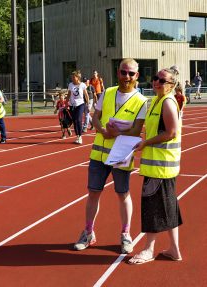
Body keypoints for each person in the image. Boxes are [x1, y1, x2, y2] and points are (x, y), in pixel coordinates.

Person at [73, 58, 147, 253]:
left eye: (131, 73)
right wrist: (102, 130)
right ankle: (88, 232)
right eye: (124, 72)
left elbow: (137, 130)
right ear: (118, 72)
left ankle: (125, 234)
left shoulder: (141, 101)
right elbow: (95, 117)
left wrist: (117, 133)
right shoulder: (108, 92)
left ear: (137, 76)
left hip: (122, 155)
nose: (127, 77)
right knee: (93, 193)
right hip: (99, 153)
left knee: (123, 194)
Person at [129, 67, 183, 265]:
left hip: (160, 167)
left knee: (152, 208)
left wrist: (145, 143)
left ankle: (148, 250)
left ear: (171, 85)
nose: (156, 82)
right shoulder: (156, 101)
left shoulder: (167, 103)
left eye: (162, 80)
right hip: (160, 166)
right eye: (155, 78)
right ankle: (174, 249)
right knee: (169, 207)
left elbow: (171, 133)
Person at [66, 70, 89, 144]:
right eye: (72, 77)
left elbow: (86, 95)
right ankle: (77, 136)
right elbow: (69, 95)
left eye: (73, 77)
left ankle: (80, 136)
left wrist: (87, 105)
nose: (72, 78)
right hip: (72, 105)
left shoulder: (82, 85)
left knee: (78, 119)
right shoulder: (70, 85)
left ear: (77, 77)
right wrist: (66, 103)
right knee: (74, 121)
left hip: (80, 104)